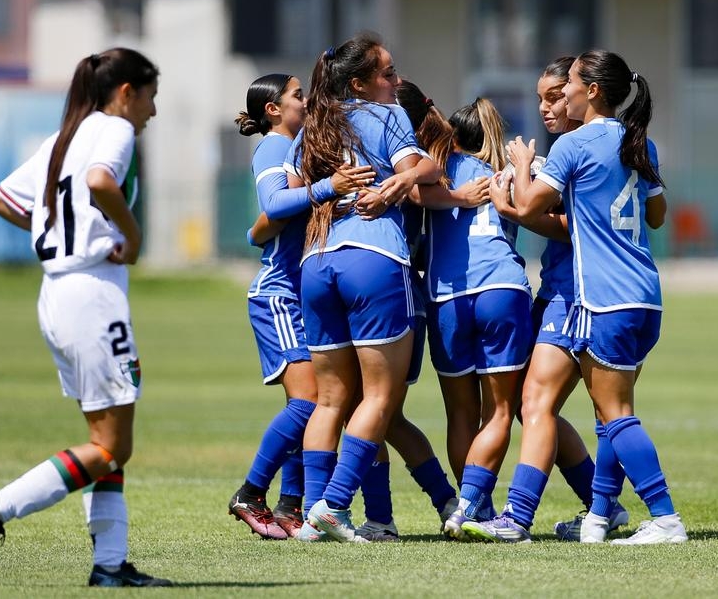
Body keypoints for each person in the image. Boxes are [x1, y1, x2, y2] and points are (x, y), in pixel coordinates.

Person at [0, 48, 172, 586]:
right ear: (126, 92)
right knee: (113, 446)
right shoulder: (114, 129)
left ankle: (110, 565)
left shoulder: (63, 138)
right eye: (150, 97)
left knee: (105, 438)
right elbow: (102, 181)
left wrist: (56, 236)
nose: (153, 111)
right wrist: (131, 236)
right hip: (92, 296)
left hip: (56, 293)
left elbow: (1, 200)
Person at [468, 49, 685, 545]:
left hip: (602, 297)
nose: (560, 95)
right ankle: (599, 516)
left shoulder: (573, 145)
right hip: (645, 295)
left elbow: (527, 204)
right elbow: (656, 217)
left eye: (566, 85)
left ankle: (665, 517)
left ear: (591, 90)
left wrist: (522, 167)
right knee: (607, 412)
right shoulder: (639, 143)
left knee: (614, 414)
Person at [290, 33, 442, 543]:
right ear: (359, 83)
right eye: (388, 73)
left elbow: (291, 195)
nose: (396, 82)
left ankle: (312, 515)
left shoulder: (313, 124)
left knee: (330, 401)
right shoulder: (388, 114)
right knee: (380, 397)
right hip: (374, 258)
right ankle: (333, 506)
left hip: (316, 263)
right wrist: (402, 182)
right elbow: (424, 168)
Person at [228, 74, 371, 540]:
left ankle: (291, 506)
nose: (305, 101)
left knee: (308, 404)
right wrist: (330, 185)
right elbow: (273, 203)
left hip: (301, 294)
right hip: (279, 295)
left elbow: (265, 224)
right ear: (273, 109)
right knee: (310, 400)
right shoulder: (274, 146)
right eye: (296, 95)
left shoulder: (295, 146)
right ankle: (251, 492)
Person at [391, 85, 533, 540]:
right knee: (500, 412)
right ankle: (472, 505)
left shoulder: (435, 170)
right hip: (501, 290)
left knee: (460, 415)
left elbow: (413, 198)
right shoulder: (508, 172)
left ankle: (476, 508)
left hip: (446, 297)